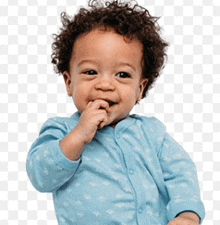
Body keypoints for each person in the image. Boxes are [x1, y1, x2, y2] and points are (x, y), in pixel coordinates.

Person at [26, 0, 205, 224]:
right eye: (91, 72)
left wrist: (187, 213)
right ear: (69, 82)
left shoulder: (153, 134)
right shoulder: (62, 130)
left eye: (122, 75)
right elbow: (41, 176)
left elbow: (181, 173)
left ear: (140, 89)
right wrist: (79, 135)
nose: (105, 85)